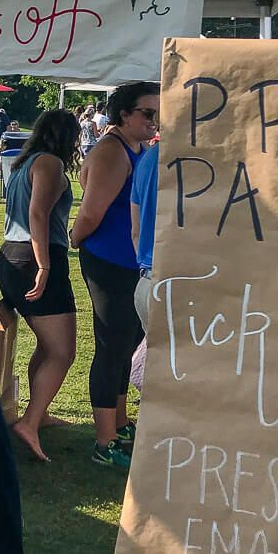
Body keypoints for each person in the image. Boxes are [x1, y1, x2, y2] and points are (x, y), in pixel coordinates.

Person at [70, 81, 159, 468]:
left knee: (126, 344)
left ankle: (120, 422)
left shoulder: (138, 148)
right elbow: (91, 213)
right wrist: (74, 240)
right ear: (125, 114)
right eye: (148, 113)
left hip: (130, 264)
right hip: (107, 262)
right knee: (111, 347)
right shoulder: (111, 149)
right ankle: (104, 441)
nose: (154, 121)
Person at [0, 109, 81, 461]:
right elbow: (37, 214)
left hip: (11, 256)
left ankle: (37, 414)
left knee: (47, 346)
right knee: (63, 351)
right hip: (35, 257)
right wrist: (45, 265)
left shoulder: (22, 162)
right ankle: (29, 423)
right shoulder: (49, 164)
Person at [130, 140, 160, 331]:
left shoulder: (148, 158)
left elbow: (136, 231)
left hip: (148, 281)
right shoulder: (214, 159)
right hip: (192, 285)